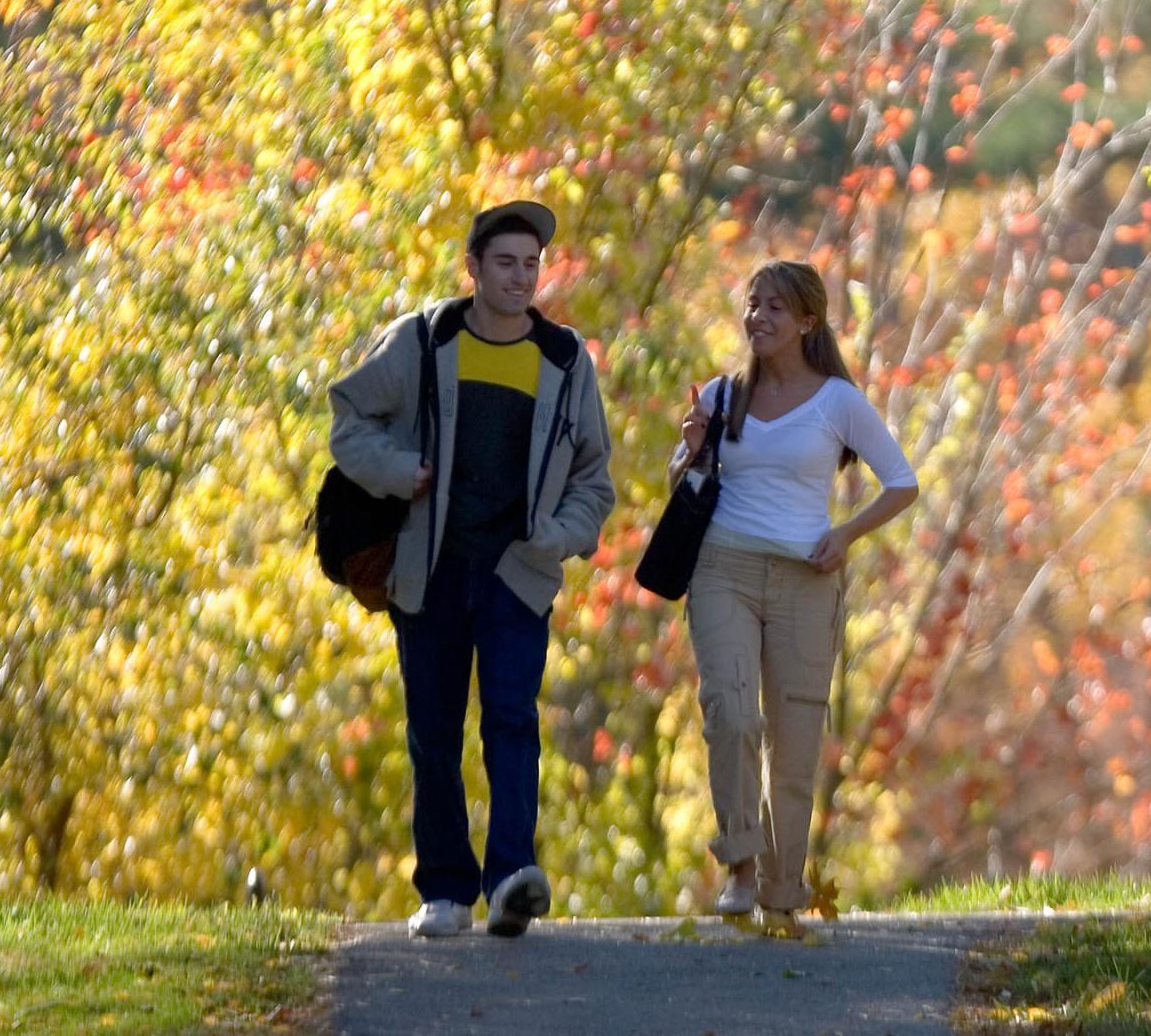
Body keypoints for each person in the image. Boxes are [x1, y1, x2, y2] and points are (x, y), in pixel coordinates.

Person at [329, 200, 614, 940]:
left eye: (531, 265)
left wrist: (559, 537)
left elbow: (594, 478)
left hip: (517, 574)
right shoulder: (424, 341)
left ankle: (512, 879)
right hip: (430, 569)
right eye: (506, 263)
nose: (521, 278)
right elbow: (348, 416)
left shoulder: (564, 359)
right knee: (433, 731)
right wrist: (400, 471)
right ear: (474, 269)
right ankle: (446, 892)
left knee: (513, 722)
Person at [671, 259, 918, 925]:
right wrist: (690, 446)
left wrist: (846, 534)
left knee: (794, 738)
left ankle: (784, 891)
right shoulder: (724, 395)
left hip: (805, 581)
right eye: (753, 304)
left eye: (775, 307)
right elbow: (684, 484)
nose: (759, 317)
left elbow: (902, 481)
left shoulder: (837, 401)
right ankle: (741, 868)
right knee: (730, 713)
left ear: (807, 321)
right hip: (722, 568)